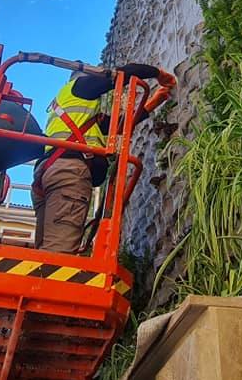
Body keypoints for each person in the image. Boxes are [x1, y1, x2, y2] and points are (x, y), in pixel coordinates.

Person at [32, 63, 174, 253]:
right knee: (58, 255)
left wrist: (152, 103)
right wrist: (159, 74)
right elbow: (124, 73)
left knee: (45, 250)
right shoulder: (80, 87)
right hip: (68, 174)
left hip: (48, 174)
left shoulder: (72, 109)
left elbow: (116, 126)